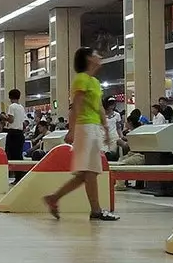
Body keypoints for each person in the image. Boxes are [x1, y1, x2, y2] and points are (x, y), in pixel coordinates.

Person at [42, 47, 118, 221]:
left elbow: (99, 107)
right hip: (85, 128)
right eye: (96, 54)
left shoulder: (95, 82)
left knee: (86, 173)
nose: (100, 56)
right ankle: (96, 210)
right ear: (89, 59)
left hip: (93, 128)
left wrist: (105, 128)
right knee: (90, 171)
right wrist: (72, 129)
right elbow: (75, 106)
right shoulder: (81, 79)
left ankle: (54, 198)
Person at [4, 89, 28, 160]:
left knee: (10, 155)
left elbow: (11, 120)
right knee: (18, 155)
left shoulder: (12, 106)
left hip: (13, 133)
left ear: (10, 97)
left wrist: (4, 118)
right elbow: (23, 122)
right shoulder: (21, 107)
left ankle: (11, 171)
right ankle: (19, 171)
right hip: (20, 134)